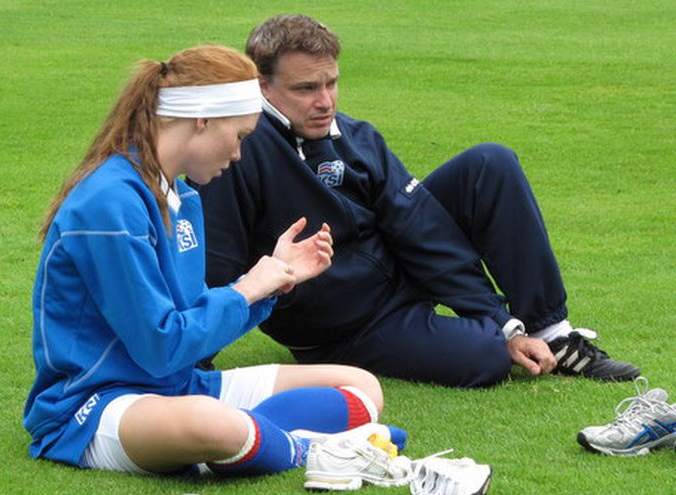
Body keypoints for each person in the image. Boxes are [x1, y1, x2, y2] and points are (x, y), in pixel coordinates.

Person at [195, 14, 640, 387]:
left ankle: (552, 334)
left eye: (331, 83)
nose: (324, 101)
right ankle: (491, 339)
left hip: (395, 266)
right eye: (306, 88)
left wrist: (501, 319)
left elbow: (418, 224)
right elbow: (217, 260)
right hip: (346, 324)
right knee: (486, 359)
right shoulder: (238, 151)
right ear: (262, 86)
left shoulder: (355, 137)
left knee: (490, 165)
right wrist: (195, 356)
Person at [23, 44, 394, 478]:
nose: (238, 155)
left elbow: (188, 328)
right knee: (210, 423)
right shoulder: (110, 203)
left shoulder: (183, 199)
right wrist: (247, 287)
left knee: (360, 386)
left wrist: (273, 279)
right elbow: (161, 347)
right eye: (238, 136)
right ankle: (299, 448)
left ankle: (253, 438)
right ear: (202, 119)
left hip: (179, 386)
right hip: (95, 405)